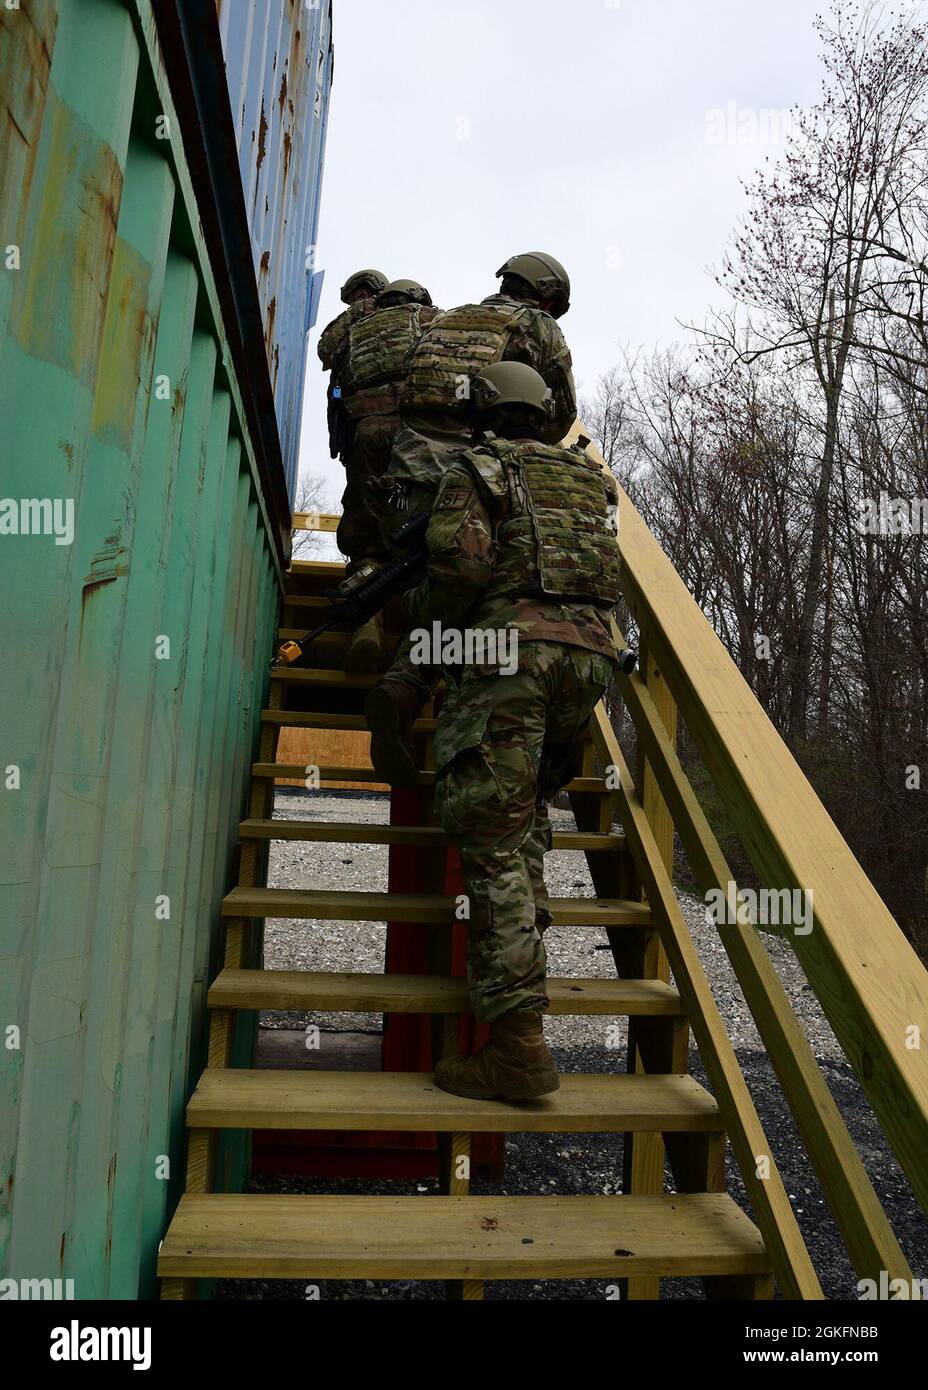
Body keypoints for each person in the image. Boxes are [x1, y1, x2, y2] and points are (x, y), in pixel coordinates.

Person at [393, 362, 623, 1100]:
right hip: (586, 664)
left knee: (493, 847)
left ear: (485, 411)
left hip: (511, 662)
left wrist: (417, 646)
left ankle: (518, 1047)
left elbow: (460, 571)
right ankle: (520, 1003)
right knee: (521, 833)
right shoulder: (592, 479)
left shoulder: (481, 467)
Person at [368, 253, 577, 742]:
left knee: (434, 582)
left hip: (407, 476)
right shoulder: (538, 326)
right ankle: (450, 719)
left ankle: (402, 681)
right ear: (547, 294)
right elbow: (559, 413)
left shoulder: (447, 318)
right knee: (478, 589)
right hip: (478, 476)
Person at [322, 276, 441, 670]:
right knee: (427, 526)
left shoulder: (355, 329)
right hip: (419, 435)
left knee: (367, 532)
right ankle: (418, 646)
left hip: (366, 433)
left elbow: (329, 360)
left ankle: (367, 623)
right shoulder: (431, 319)